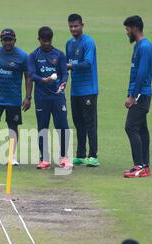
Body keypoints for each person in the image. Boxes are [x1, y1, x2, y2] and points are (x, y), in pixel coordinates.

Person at [28, 26, 73, 170]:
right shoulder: (33, 55)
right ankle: (44, 159)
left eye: (48, 41)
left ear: (51, 39)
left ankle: (64, 157)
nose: (46, 44)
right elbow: (31, 75)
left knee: (62, 126)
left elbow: (64, 73)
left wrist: (64, 83)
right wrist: (43, 80)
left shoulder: (59, 54)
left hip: (57, 96)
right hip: (41, 97)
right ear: (39, 39)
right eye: (43, 41)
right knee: (43, 127)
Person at [0, 28, 32, 166]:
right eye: (5, 40)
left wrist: (28, 97)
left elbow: (28, 77)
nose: (7, 42)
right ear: (1, 40)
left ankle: (12, 155)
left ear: (14, 40)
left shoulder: (23, 56)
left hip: (13, 98)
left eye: (10, 40)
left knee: (13, 126)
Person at [66, 13, 99, 167]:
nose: (73, 29)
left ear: (82, 25)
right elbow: (66, 65)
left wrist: (70, 66)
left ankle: (93, 155)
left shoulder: (88, 42)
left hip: (88, 90)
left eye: (76, 26)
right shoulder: (69, 43)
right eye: (71, 26)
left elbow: (87, 63)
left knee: (90, 122)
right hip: (75, 90)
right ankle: (80, 154)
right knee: (78, 122)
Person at [122, 16, 152, 178]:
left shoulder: (145, 47)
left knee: (131, 127)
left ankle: (139, 165)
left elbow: (142, 74)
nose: (126, 32)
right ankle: (145, 166)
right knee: (141, 129)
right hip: (139, 93)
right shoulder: (139, 46)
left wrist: (133, 96)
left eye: (128, 29)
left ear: (135, 28)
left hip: (141, 94)